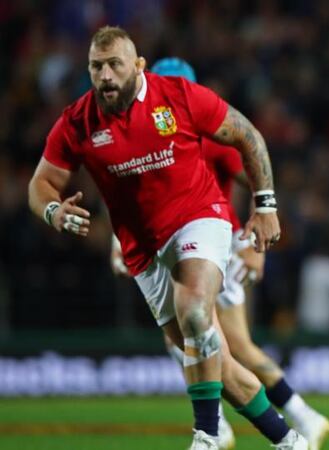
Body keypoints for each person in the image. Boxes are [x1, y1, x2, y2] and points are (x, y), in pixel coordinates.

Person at [28, 26, 308, 450]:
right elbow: (41, 184)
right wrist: (53, 210)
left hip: (201, 218)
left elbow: (247, 135)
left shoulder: (178, 96)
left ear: (139, 66)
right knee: (218, 363)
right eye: (96, 66)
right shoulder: (78, 121)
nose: (105, 75)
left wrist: (265, 206)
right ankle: (289, 441)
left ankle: (206, 436)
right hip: (143, 248)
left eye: (114, 64)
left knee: (194, 309)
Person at [108, 57, 329, 450]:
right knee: (203, 341)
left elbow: (256, 174)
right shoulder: (155, 140)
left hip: (216, 246)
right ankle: (278, 421)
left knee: (214, 341)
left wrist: (254, 245)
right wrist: (120, 244)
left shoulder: (206, 138)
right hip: (183, 247)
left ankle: (245, 426)